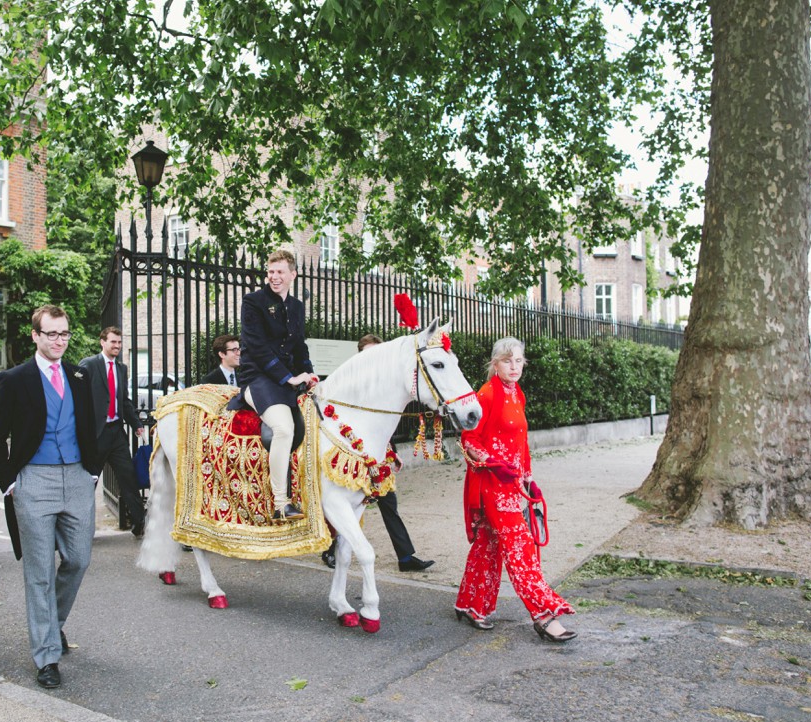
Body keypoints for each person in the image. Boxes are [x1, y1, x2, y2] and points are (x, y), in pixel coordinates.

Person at [0, 305, 101, 689]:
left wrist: (94, 471)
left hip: (77, 477)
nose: (58, 341)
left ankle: (52, 625)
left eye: (64, 334)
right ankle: (46, 656)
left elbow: (92, 425)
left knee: (79, 559)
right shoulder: (14, 379)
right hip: (33, 479)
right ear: (35, 335)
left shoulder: (79, 376)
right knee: (38, 572)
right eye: (51, 334)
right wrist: (10, 481)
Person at [455, 337, 576, 642]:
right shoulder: (487, 394)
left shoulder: (517, 393)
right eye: (508, 360)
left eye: (519, 361)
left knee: (489, 545)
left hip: (513, 486)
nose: (514, 366)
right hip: (493, 487)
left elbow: (521, 442)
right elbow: (469, 440)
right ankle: (544, 615)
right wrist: (493, 463)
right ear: (495, 363)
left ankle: (471, 605)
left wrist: (527, 477)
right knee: (520, 549)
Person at [321, 334, 435, 573]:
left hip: (375, 454)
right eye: (371, 352)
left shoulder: (383, 382)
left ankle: (405, 556)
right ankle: (331, 550)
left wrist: (390, 452)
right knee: (339, 500)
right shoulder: (352, 381)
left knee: (388, 502)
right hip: (349, 451)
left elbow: (381, 427)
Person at [238, 249, 316, 520]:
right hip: (258, 378)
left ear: (292, 274)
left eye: (280, 272)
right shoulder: (253, 302)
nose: (274, 277)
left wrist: (308, 372)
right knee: (283, 429)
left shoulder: (296, 306)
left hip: (286, 379)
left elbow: (299, 345)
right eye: (271, 272)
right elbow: (257, 348)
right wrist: (289, 378)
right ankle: (281, 504)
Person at [79, 326, 146, 538]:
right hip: (95, 435)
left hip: (116, 433)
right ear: (102, 342)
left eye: (119, 342)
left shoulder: (121, 368)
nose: (117, 346)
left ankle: (139, 524)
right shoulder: (88, 365)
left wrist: (136, 424)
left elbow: (123, 400)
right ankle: (81, 529)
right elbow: (78, 399)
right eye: (113, 342)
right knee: (89, 482)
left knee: (129, 478)